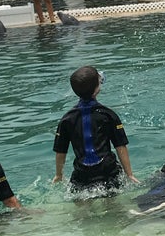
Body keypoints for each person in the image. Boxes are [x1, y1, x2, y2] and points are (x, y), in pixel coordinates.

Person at [53, 65, 139, 193]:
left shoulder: (66, 119)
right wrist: (129, 174)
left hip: (81, 173)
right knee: (113, 204)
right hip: (108, 170)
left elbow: (61, 151)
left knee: (82, 205)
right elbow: (120, 146)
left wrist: (59, 175)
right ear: (97, 89)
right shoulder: (108, 115)